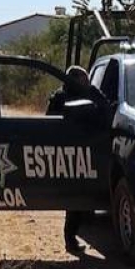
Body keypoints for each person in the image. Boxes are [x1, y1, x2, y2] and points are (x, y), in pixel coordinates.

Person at [46, 66, 92, 255]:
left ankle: (72, 236)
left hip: (82, 151)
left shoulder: (82, 95)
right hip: (66, 153)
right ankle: (70, 239)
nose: (87, 83)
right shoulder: (61, 97)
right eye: (83, 80)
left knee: (78, 200)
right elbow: (50, 121)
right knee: (74, 199)